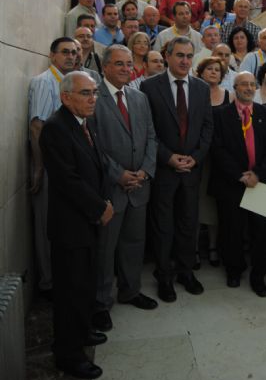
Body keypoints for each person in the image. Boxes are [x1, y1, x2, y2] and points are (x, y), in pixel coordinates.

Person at [39, 72, 114, 380]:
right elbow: (66, 179)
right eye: (85, 93)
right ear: (66, 96)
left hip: (88, 222)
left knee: (84, 286)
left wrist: (102, 203)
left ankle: (83, 333)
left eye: (94, 92)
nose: (92, 98)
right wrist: (99, 207)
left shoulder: (84, 123)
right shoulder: (55, 128)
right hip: (71, 226)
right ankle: (69, 355)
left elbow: (95, 168)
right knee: (69, 293)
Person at [141, 37, 213, 302]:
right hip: (164, 169)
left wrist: (195, 158)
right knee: (163, 226)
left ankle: (185, 271)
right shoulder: (149, 87)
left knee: (188, 224)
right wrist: (169, 158)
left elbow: (207, 128)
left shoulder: (202, 88)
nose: (185, 61)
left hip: (192, 170)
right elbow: (147, 131)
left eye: (188, 56)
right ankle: (164, 275)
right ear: (168, 56)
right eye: (180, 55)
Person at [92, 46, 158, 333]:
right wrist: (119, 175)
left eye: (129, 64)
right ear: (105, 67)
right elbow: (92, 145)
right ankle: (101, 303)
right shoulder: (93, 98)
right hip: (111, 188)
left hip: (139, 187)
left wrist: (144, 170)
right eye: (119, 64)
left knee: (134, 244)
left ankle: (130, 291)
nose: (125, 69)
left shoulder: (139, 97)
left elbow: (152, 137)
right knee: (105, 249)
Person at [209, 72, 266, 296]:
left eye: (251, 84)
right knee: (232, 231)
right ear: (235, 87)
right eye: (243, 84)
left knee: (262, 232)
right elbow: (217, 149)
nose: (248, 88)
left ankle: (259, 277)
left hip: (261, 182)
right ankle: (234, 271)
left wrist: (257, 174)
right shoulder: (220, 114)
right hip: (232, 182)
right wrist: (241, 175)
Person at [28, 37, 78, 295]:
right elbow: (37, 127)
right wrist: (38, 167)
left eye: (75, 52)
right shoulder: (43, 82)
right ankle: (48, 283)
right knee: (47, 224)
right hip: (48, 166)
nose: (71, 56)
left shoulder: (72, 83)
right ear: (52, 56)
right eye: (65, 52)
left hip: (69, 167)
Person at [195, 57, 232, 268]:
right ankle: (194, 249)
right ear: (200, 72)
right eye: (209, 69)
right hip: (199, 157)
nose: (213, 72)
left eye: (217, 70)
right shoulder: (194, 94)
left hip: (221, 160)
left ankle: (212, 247)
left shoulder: (230, 96)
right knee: (196, 204)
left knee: (213, 206)